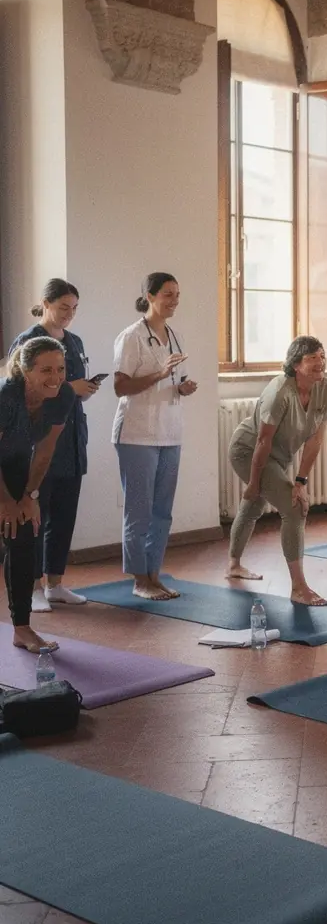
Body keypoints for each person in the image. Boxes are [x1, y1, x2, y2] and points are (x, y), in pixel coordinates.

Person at [225, 336, 327, 606]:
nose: (320, 363)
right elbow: (262, 442)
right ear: (296, 364)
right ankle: (299, 588)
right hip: (247, 451)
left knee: (253, 507)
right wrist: (253, 483)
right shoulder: (280, 392)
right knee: (295, 509)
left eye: (321, 356)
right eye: (312, 359)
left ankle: (233, 565)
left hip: (278, 458)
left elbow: (315, 440)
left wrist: (301, 481)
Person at [10, 279, 99, 612]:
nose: (69, 315)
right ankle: (32, 586)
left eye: (74, 309)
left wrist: (83, 389)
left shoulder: (74, 341)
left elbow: (72, 387)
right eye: (64, 308)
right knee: (37, 514)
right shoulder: (28, 341)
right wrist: (68, 389)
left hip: (72, 438)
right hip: (39, 441)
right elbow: (19, 392)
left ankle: (55, 583)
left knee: (64, 514)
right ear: (46, 304)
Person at [112, 273, 198, 600]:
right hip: (136, 434)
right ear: (150, 296)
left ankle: (154, 574)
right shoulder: (132, 336)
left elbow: (170, 382)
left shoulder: (173, 335)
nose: (174, 301)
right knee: (140, 510)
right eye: (167, 295)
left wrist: (181, 387)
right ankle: (138, 580)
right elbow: (121, 386)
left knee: (163, 510)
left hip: (169, 432)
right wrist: (160, 374)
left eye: (177, 295)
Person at [1, 337, 75, 653]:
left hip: (16, 465)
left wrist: (29, 497)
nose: (55, 377)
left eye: (60, 369)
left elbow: (44, 452)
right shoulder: (7, 396)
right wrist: (5, 501)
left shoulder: (63, 396)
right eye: (46, 370)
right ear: (26, 370)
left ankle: (22, 629)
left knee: (23, 536)